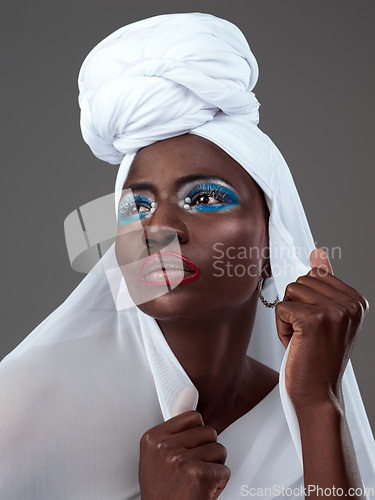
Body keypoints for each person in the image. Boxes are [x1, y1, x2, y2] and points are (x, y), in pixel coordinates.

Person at [1, 12, 374, 500]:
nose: (158, 230)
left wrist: (319, 405)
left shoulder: (297, 402)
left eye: (203, 199)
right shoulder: (25, 406)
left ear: (271, 243)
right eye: (137, 206)